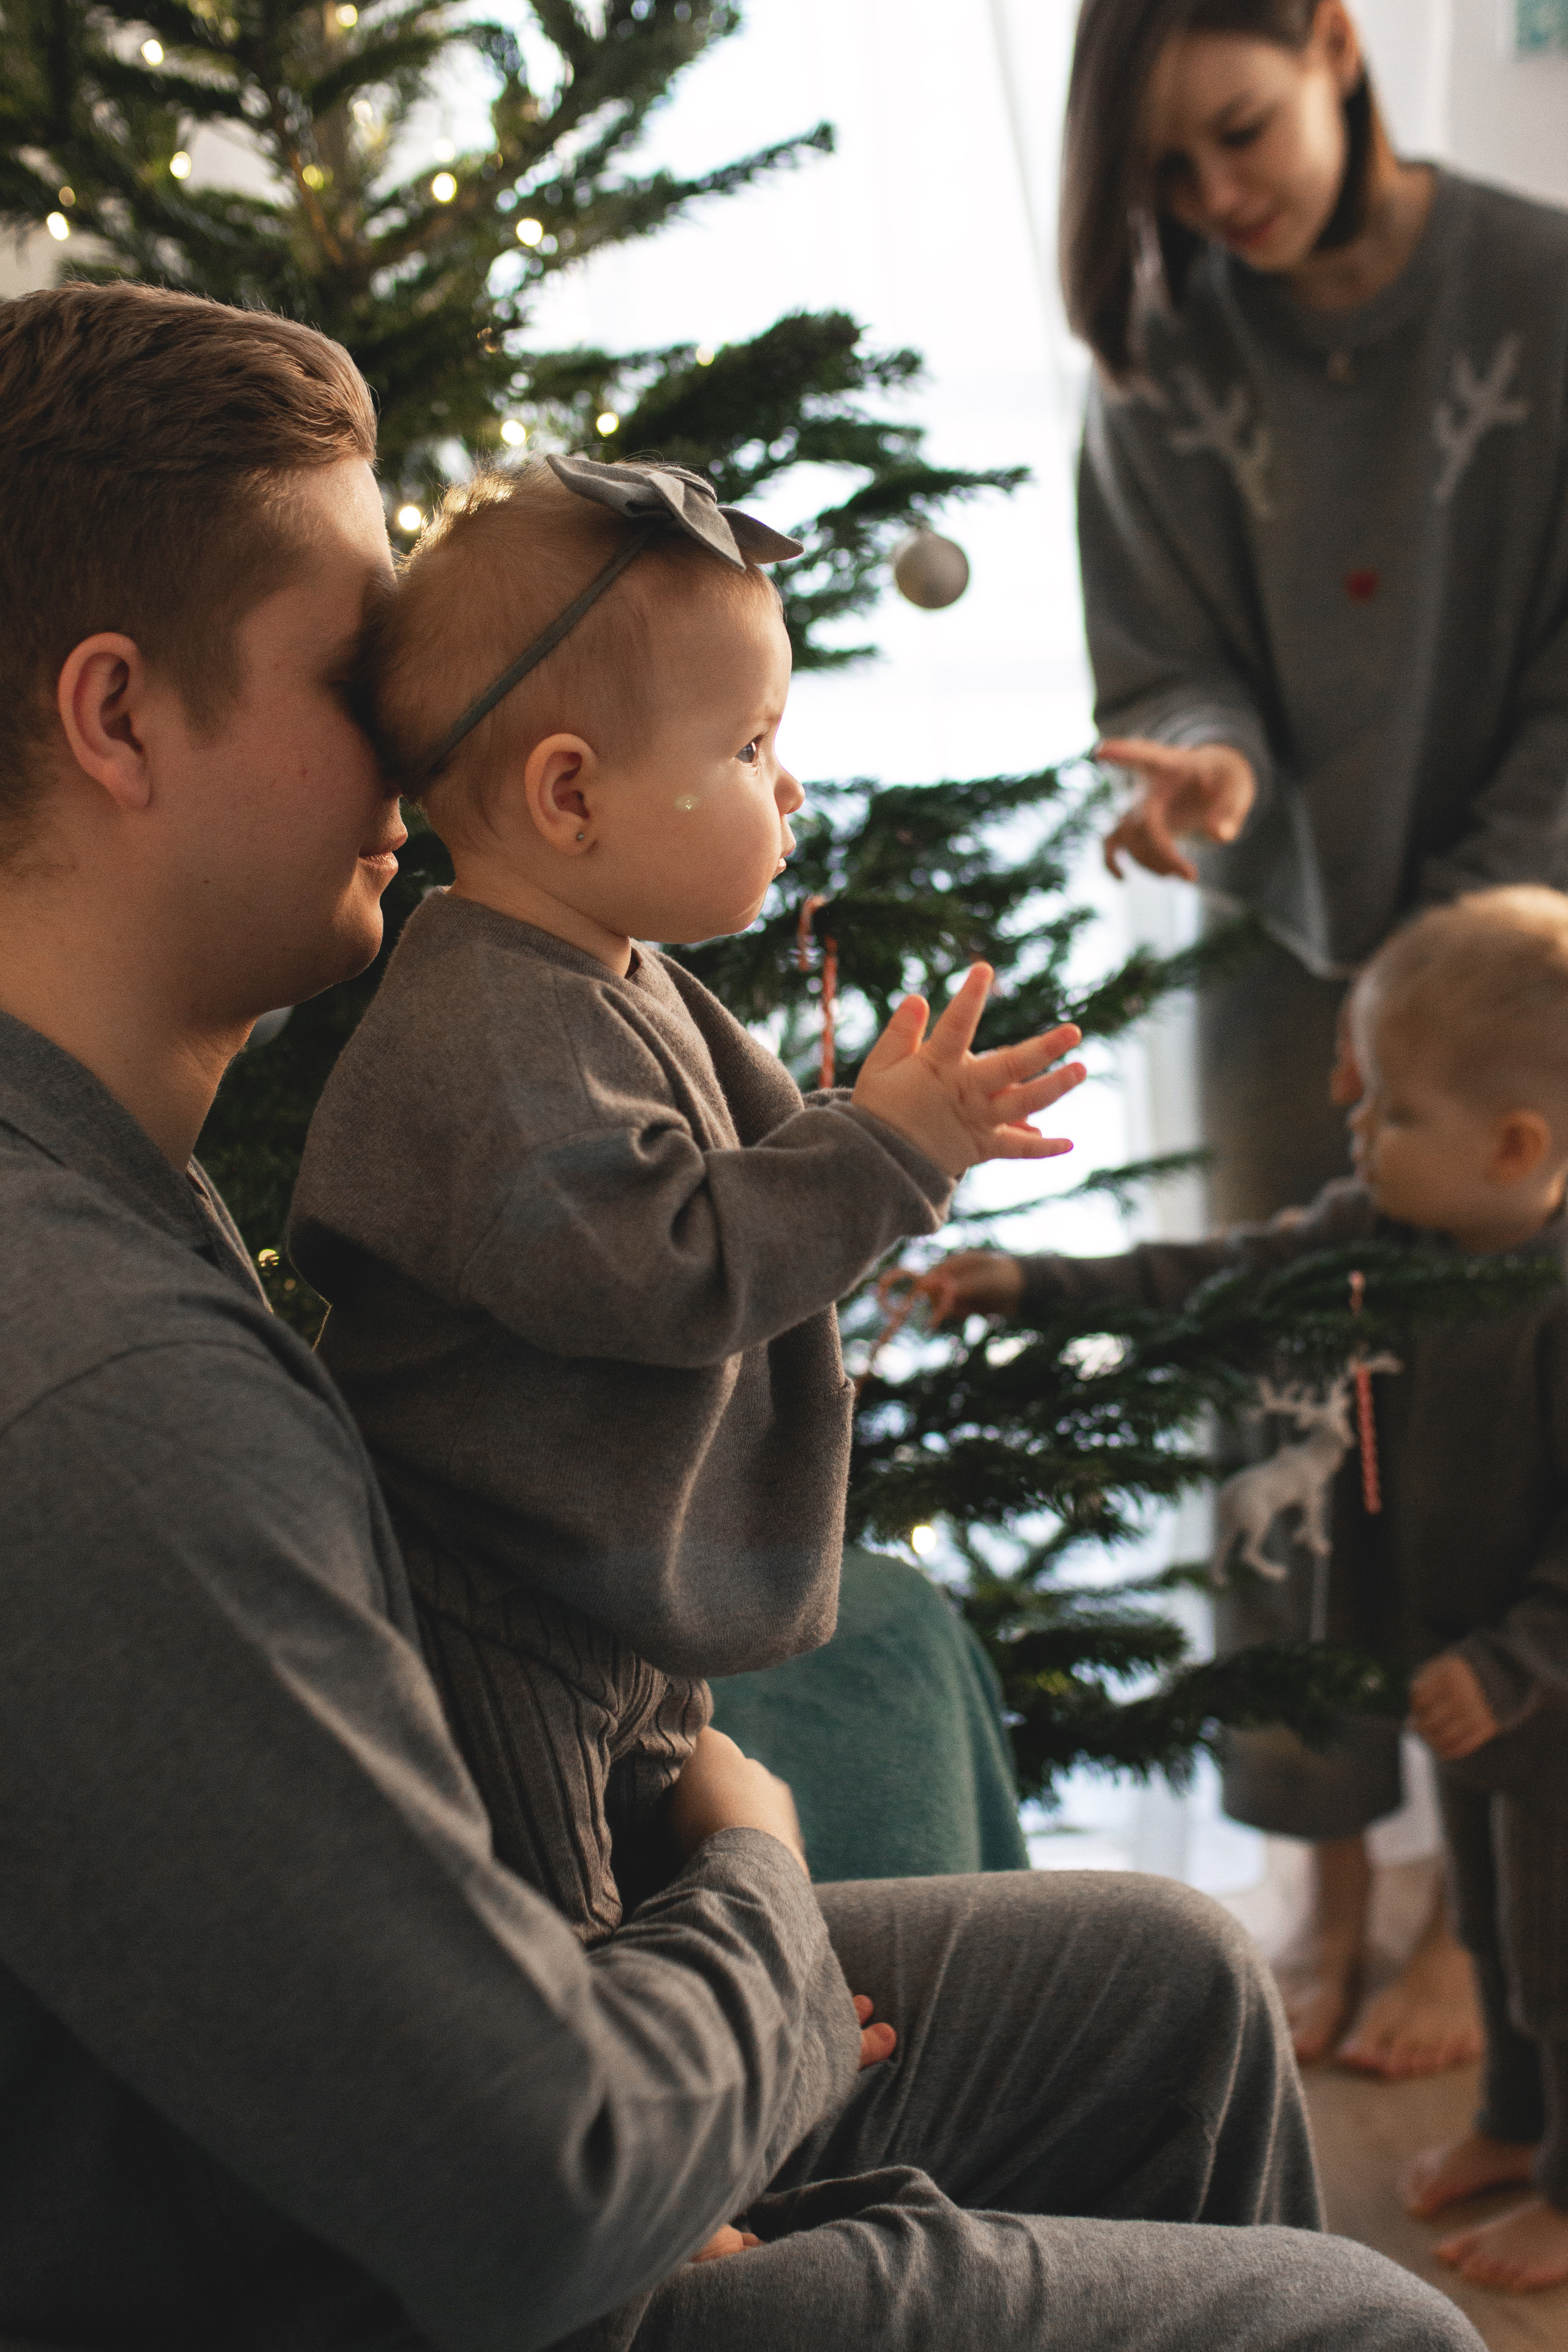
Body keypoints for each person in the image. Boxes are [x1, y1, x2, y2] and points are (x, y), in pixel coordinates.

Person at [0, 274, 1483, 2352]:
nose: (432, 726)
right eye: (364, 662)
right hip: (409, 2276)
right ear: (119, 715)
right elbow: (538, 2193)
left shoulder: (116, 1183)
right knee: (1377, 2332)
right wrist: (760, 1904)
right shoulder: (93, 1384)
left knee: (1165, 1985)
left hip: (472, 2091)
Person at [287, 454, 1085, 1947]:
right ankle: (678, 2109)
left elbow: (754, 1166)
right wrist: (880, 1156)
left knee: (654, 1822)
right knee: (552, 1925)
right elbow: (659, 1268)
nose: (787, 786)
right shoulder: (492, 1032)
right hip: (489, 1603)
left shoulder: (612, 972)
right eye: (750, 745)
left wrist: (904, 1126)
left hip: (601, 1580)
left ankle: (733, 2011)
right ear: (569, 791)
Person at [1058, 0, 1568, 2073]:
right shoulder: (1172, 354)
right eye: (1166, 171)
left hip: (1525, 959)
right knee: (1283, 1440)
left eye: (1239, 132)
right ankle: (1325, 1883)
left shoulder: (1541, 287)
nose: (1214, 200)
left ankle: (1478, 1908)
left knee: (1501, 1446)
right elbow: (1171, 655)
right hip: (1283, 968)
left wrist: (1467, 943)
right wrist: (1212, 775)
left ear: (1342, 46)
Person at [915, 885, 1568, 2293]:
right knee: (1497, 1917)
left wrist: (1506, 1668)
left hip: (1535, 1679)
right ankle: (1515, 2124)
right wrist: (1032, 1282)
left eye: (1386, 1112)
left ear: (1516, 1147)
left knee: (1555, 1939)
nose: (1351, 1129)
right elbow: (1215, 1275)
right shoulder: (1380, 1239)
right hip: (1461, 1675)